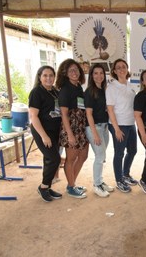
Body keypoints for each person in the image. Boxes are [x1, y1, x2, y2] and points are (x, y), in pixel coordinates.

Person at [29, 66, 63, 202]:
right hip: (42, 131)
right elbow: (34, 116)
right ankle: (43, 187)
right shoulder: (37, 92)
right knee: (55, 159)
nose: (48, 78)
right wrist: (44, 136)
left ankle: (47, 187)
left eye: (51, 75)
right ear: (39, 77)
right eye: (45, 75)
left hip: (54, 130)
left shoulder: (54, 91)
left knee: (48, 159)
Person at [56, 58, 89, 199]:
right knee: (71, 158)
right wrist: (70, 134)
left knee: (83, 156)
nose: (74, 72)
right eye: (71, 70)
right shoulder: (65, 90)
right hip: (70, 127)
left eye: (76, 70)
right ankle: (71, 187)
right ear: (65, 73)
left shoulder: (79, 88)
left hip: (81, 126)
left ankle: (72, 183)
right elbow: (63, 114)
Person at [106, 58, 138, 193]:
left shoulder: (131, 86)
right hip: (118, 125)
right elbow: (110, 109)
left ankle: (125, 174)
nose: (121, 69)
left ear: (127, 69)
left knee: (133, 150)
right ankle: (119, 180)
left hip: (131, 124)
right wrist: (116, 129)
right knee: (119, 153)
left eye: (123, 66)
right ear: (114, 71)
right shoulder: (112, 87)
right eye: (118, 67)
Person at [84, 63, 114, 198]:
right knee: (100, 156)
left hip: (104, 127)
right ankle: (96, 185)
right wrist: (95, 134)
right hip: (94, 128)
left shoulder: (104, 89)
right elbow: (88, 114)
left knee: (101, 156)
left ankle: (100, 182)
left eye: (101, 73)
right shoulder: (89, 91)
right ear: (91, 75)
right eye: (95, 73)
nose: (99, 76)